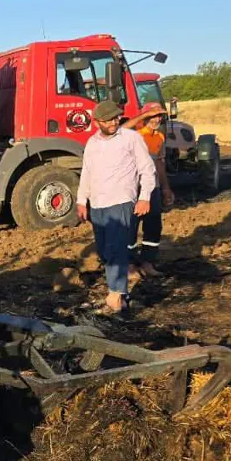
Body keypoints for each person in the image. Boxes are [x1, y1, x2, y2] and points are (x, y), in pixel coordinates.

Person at [76, 99, 157, 315]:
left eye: (116, 118)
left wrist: (144, 197)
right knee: (104, 250)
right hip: (98, 204)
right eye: (109, 119)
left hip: (121, 200)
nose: (114, 122)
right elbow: (87, 172)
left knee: (116, 247)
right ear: (97, 122)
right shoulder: (92, 143)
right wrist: (82, 200)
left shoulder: (131, 139)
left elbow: (147, 169)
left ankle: (115, 296)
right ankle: (120, 295)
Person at [127, 102, 175, 279]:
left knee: (154, 225)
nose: (157, 119)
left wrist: (165, 188)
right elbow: (121, 129)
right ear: (144, 116)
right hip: (134, 188)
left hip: (152, 187)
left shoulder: (160, 137)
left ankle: (148, 262)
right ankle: (130, 265)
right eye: (153, 115)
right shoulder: (132, 135)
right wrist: (140, 117)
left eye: (159, 116)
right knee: (130, 226)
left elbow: (159, 164)